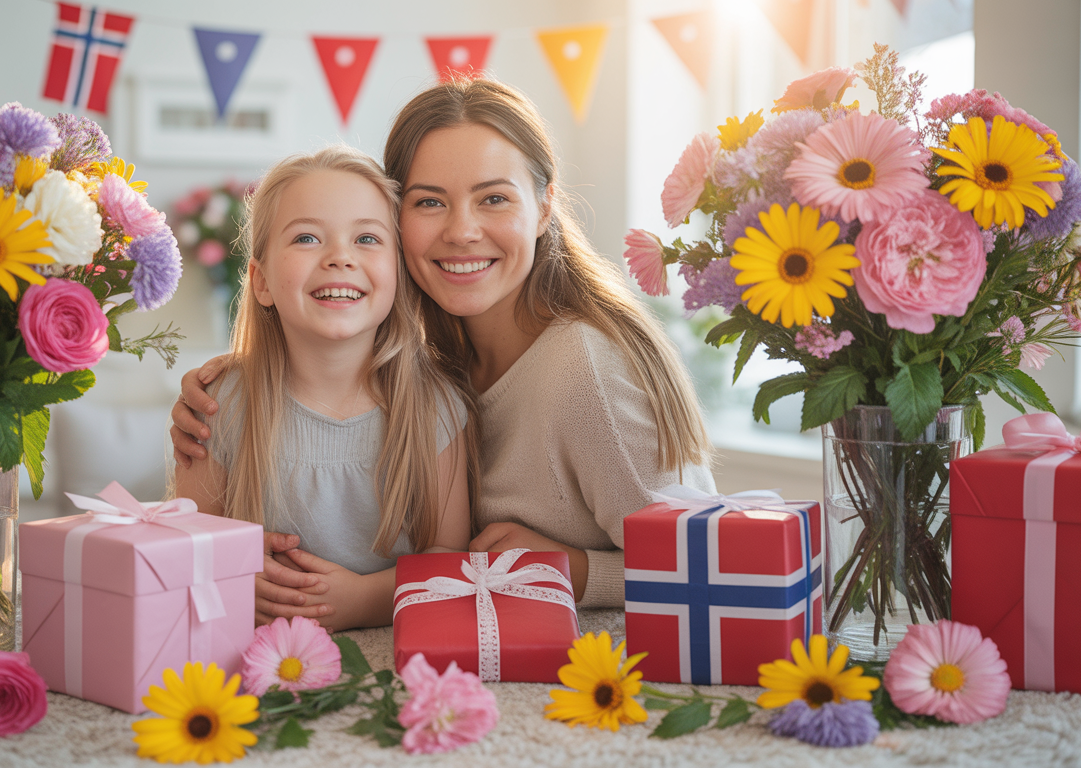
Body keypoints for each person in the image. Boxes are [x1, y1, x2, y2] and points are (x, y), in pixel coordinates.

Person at [173, 78, 715, 618]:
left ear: (545, 207)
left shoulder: (586, 371)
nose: (461, 231)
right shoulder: (444, 348)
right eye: (430, 201)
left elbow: (708, 569)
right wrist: (239, 379)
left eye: (494, 198)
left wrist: (574, 569)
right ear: (400, 224)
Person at [172, 145, 471, 631]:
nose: (339, 258)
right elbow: (187, 549)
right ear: (261, 281)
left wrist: (366, 600)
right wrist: (228, 576)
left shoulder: (434, 408)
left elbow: (449, 559)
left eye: (368, 238)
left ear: (399, 273)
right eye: (307, 237)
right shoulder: (219, 405)